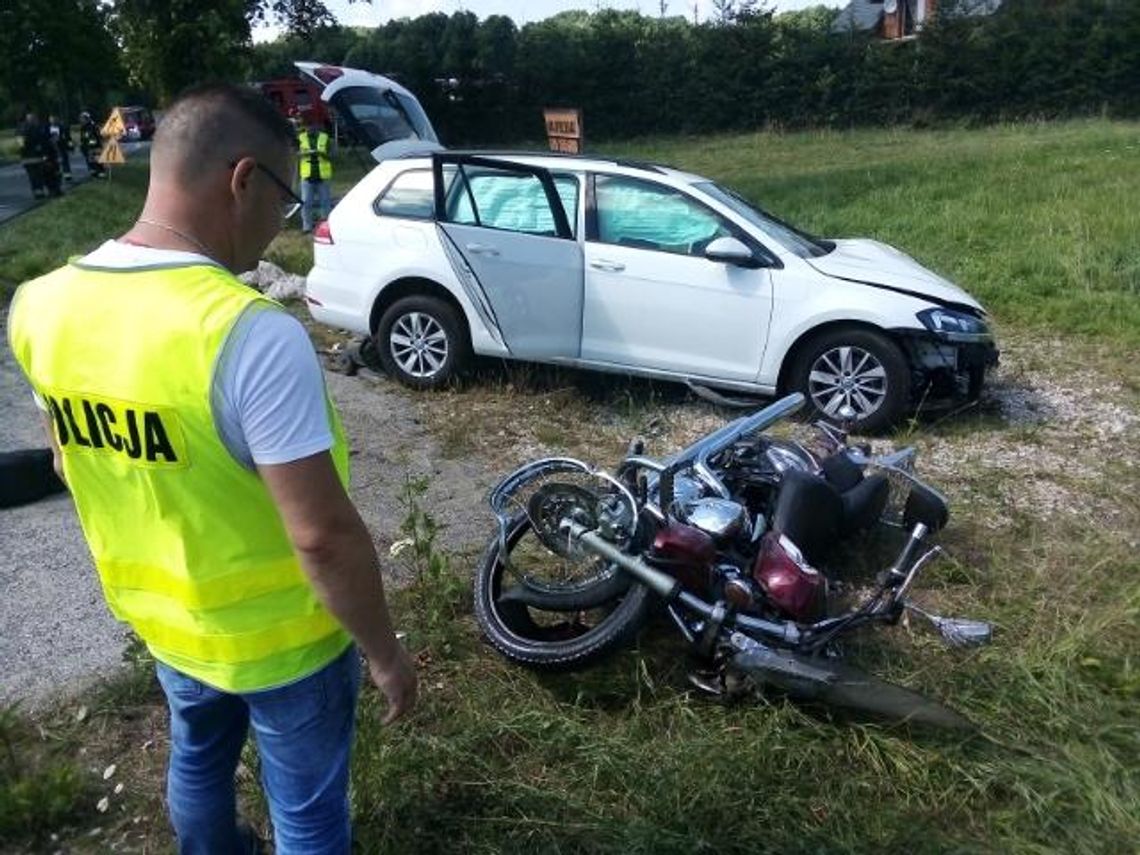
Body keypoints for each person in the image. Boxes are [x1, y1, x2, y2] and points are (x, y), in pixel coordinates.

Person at [7, 83, 417, 854]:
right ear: (241, 180)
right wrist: (386, 654)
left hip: (168, 623)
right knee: (308, 814)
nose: (279, 226)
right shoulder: (247, 332)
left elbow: (68, 455)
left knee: (198, 762)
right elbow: (322, 537)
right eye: (285, 201)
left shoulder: (40, 305)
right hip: (289, 642)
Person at [297, 111, 332, 233]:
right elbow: (295, 154)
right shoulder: (300, 138)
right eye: (307, 126)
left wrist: (322, 154)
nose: (309, 128)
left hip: (323, 175)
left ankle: (326, 225)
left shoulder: (325, 137)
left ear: (316, 125)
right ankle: (307, 227)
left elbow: (333, 155)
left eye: (311, 125)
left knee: (325, 202)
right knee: (306, 203)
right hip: (307, 176)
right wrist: (304, 154)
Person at [18, 112, 61, 199]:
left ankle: (38, 192)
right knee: (47, 174)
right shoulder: (39, 129)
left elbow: (21, 145)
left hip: (27, 159)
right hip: (39, 157)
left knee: (33, 177)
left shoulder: (20, 130)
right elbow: (45, 142)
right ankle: (52, 190)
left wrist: (22, 155)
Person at [78, 111, 106, 179]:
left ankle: (101, 172)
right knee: (90, 160)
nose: (81, 120)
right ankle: (94, 172)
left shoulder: (93, 126)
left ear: (87, 118)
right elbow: (83, 137)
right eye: (81, 118)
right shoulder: (83, 127)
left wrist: (92, 143)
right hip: (88, 147)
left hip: (95, 146)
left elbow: (98, 136)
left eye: (83, 118)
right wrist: (82, 145)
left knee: (97, 159)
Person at [47, 114, 73, 182]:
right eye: (51, 120)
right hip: (52, 148)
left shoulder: (62, 127)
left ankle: (67, 175)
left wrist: (70, 146)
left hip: (62, 146)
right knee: (55, 162)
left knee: (64, 160)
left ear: (57, 119)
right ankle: (58, 175)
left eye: (54, 119)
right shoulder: (48, 128)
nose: (52, 121)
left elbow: (68, 138)